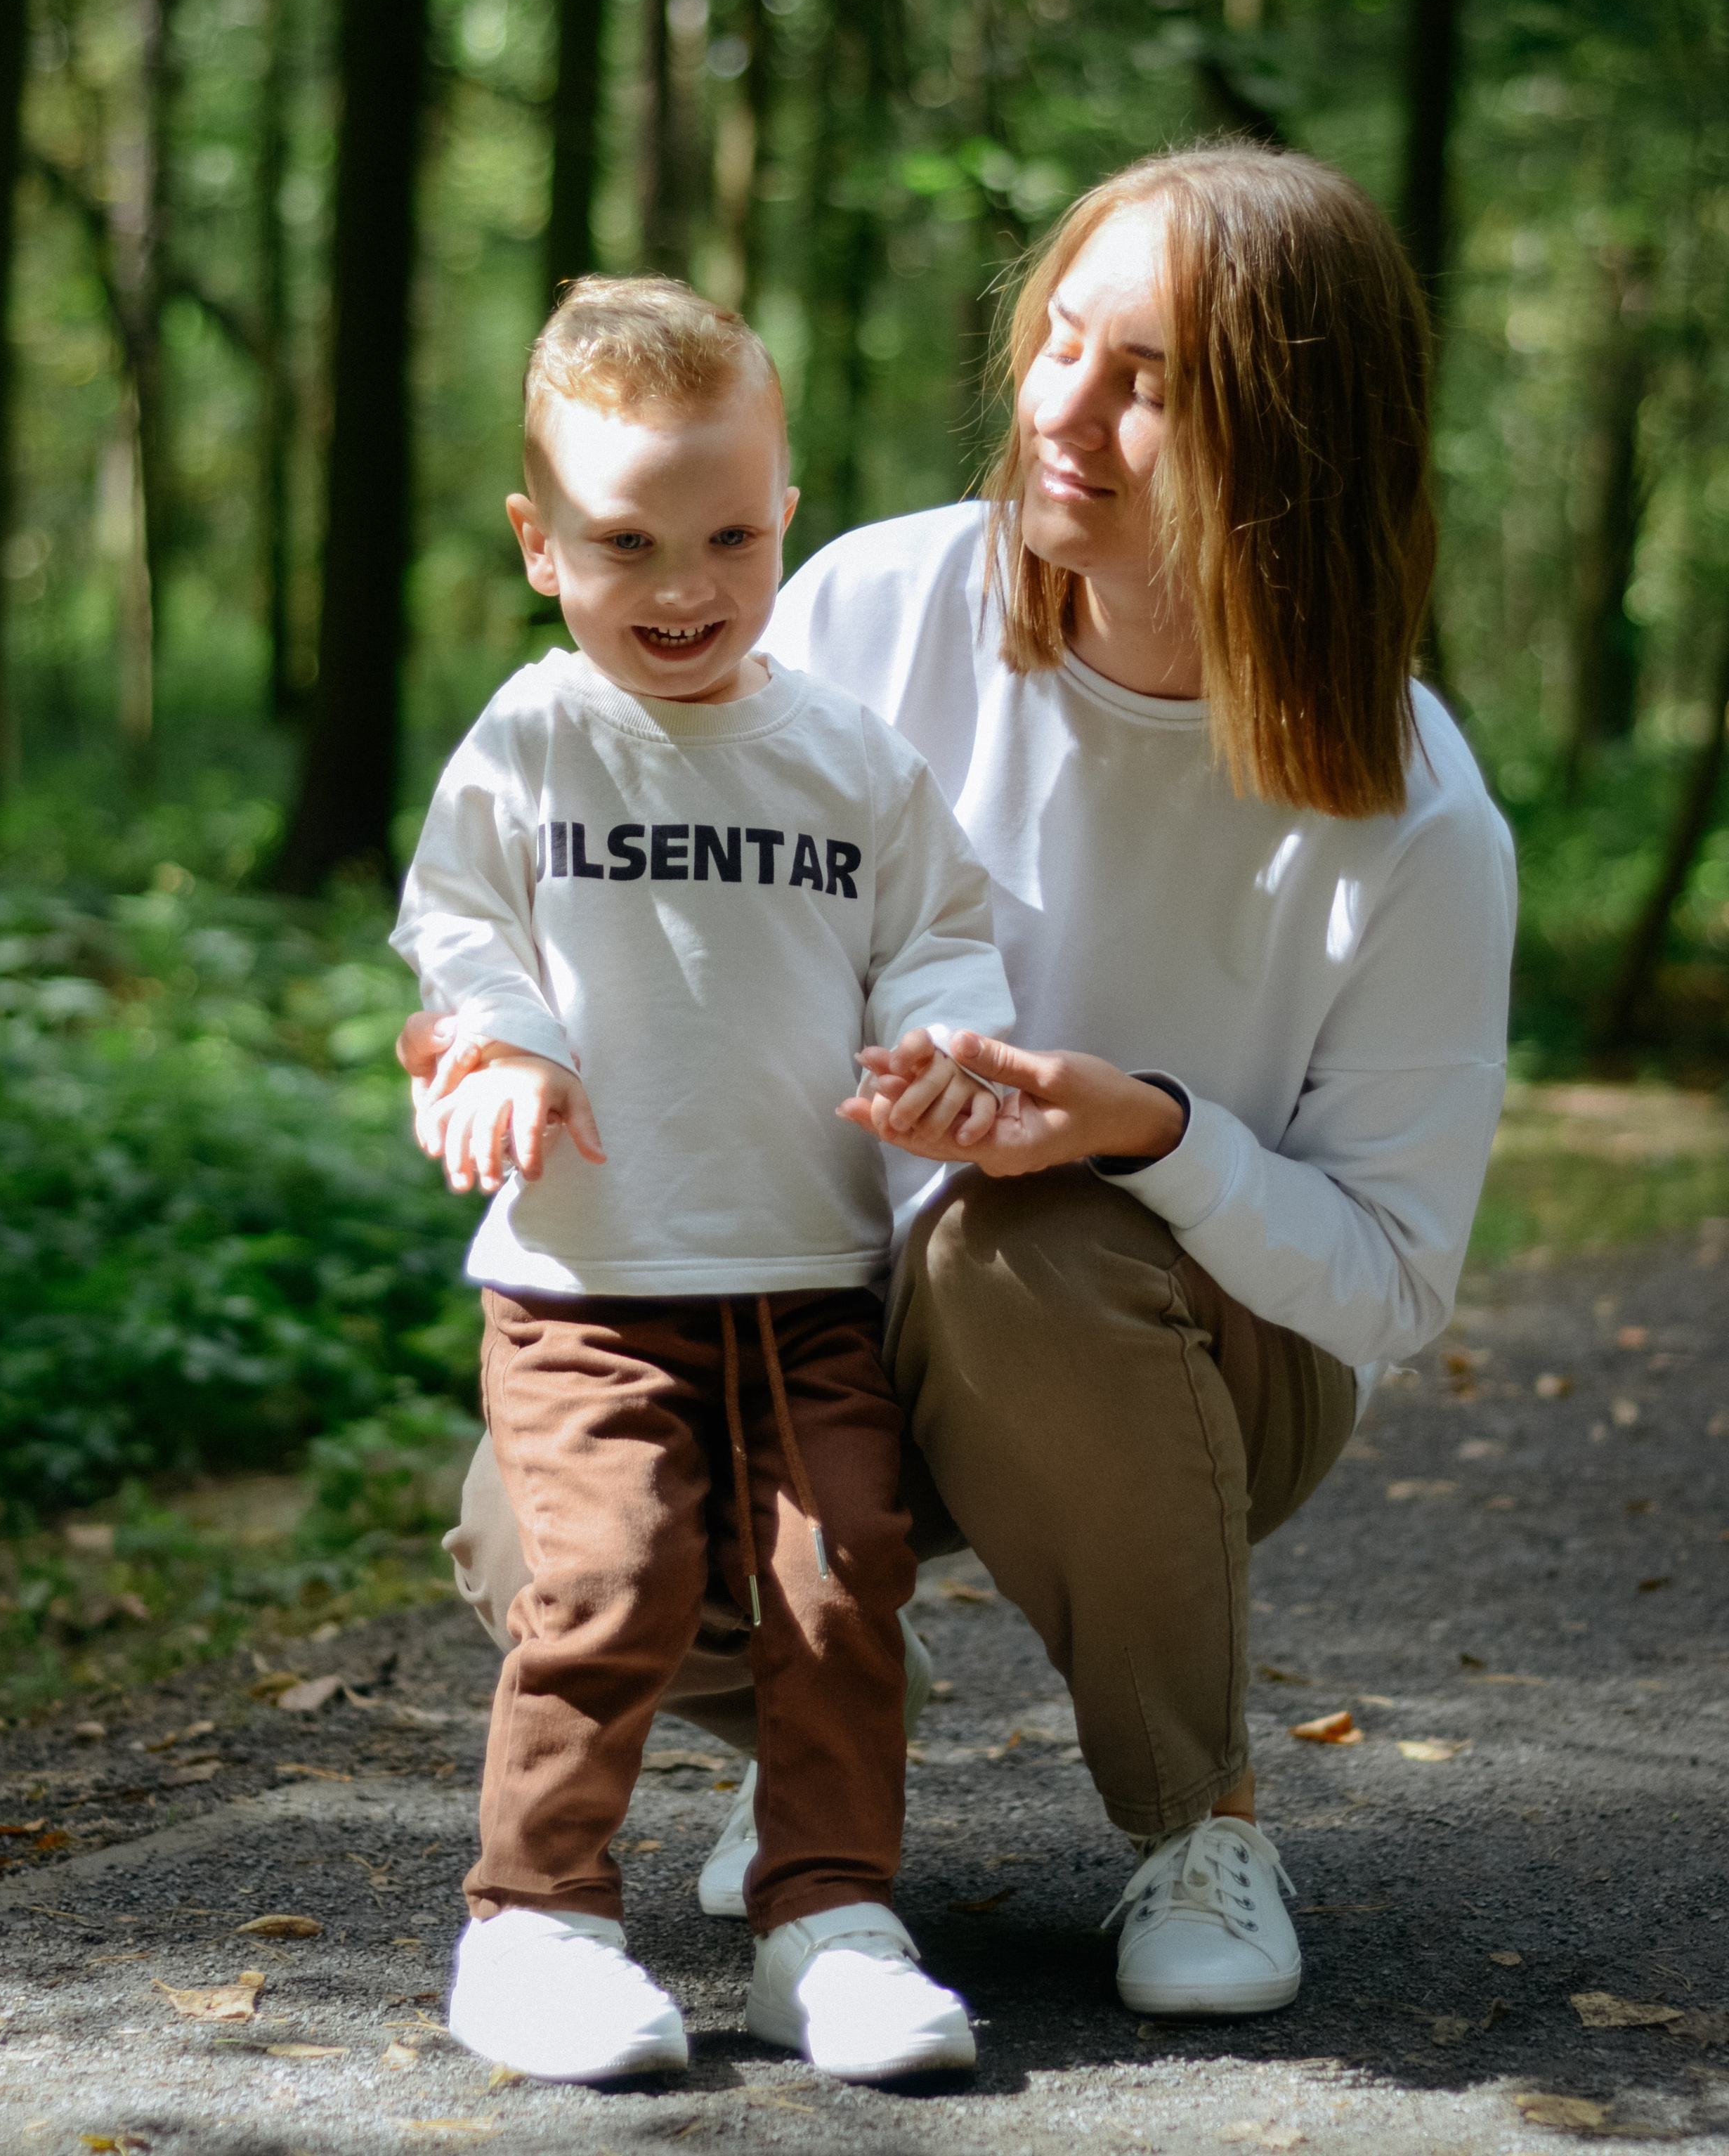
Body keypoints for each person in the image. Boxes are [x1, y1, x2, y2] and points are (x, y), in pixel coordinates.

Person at [412, 142, 1516, 2027]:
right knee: (534, 1516)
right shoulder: (867, 605)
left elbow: (1394, 1284)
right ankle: (823, 1767)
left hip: (1168, 1360)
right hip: (810, 1305)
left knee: (1032, 1245)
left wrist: (1147, 1129)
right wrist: (492, 1025)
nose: (1061, 409)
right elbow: (572, 885)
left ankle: (1198, 1815)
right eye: (1059, 339)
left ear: (1293, 432)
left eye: (1150, 379)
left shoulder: (1409, 815)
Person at [392, 276, 1015, 2087]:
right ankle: (538, 1920)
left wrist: (944, 1046)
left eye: (731, 532)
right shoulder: (531, 739)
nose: (685, 584)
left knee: (843, 1581)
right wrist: (504, 1044)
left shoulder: (847, 757)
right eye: (626, 540)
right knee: (610, 1579)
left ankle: (825, 1919)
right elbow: (459, 923)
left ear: (787, 516)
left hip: (812, 1270)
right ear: (538, 543)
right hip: (586, 1286)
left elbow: (940, 940)